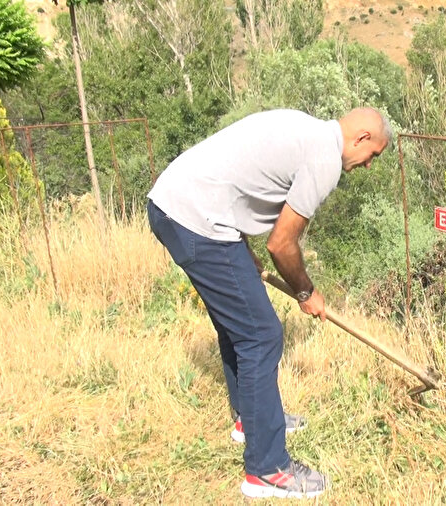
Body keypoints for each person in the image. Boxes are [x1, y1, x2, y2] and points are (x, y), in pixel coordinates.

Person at [146, 107, 391, 499]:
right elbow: (282, 243)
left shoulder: (305, 129)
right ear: (361, 138)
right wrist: (306, 292)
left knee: (240, 325)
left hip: (174, 206)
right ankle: (267, 469)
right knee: (261, 336)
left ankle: (252, 421)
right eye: (373, 155)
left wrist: (240, 248)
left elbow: (237, 174)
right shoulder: (325, 158)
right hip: (196, 218)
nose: (368, 165)